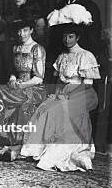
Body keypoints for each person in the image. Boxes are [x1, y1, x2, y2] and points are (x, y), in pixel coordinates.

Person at [20, 17, 100, 172]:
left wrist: (67, 96)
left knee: (60, 110)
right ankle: (35, 150)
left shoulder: (85, 56)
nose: (67, 40)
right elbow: (59, 83)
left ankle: (62, 152)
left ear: (78, 37)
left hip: (84, 94)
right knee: (45, 107)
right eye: (65, 36)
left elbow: (87, 85)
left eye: (71, 36)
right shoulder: (62, 56)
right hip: (65, 93)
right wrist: (57, 95)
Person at [0, 7, 48, 162]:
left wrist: (21, 85)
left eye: (25, 30)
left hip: (33, 88)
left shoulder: (37, 49)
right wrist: (13, 79)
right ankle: (0, 138)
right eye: (19, 31)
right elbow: (14, 71)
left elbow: (39, 78)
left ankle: (12, 142)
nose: (22, 34)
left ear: (31, 30)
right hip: (18, 84)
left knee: (4, 95)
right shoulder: (16, 47)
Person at [47, 0, 102, 78]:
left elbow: (95, 33)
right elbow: (53, 34)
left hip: (82, 54)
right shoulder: (59, 5)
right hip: (61, 54)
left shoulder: (90, 6)